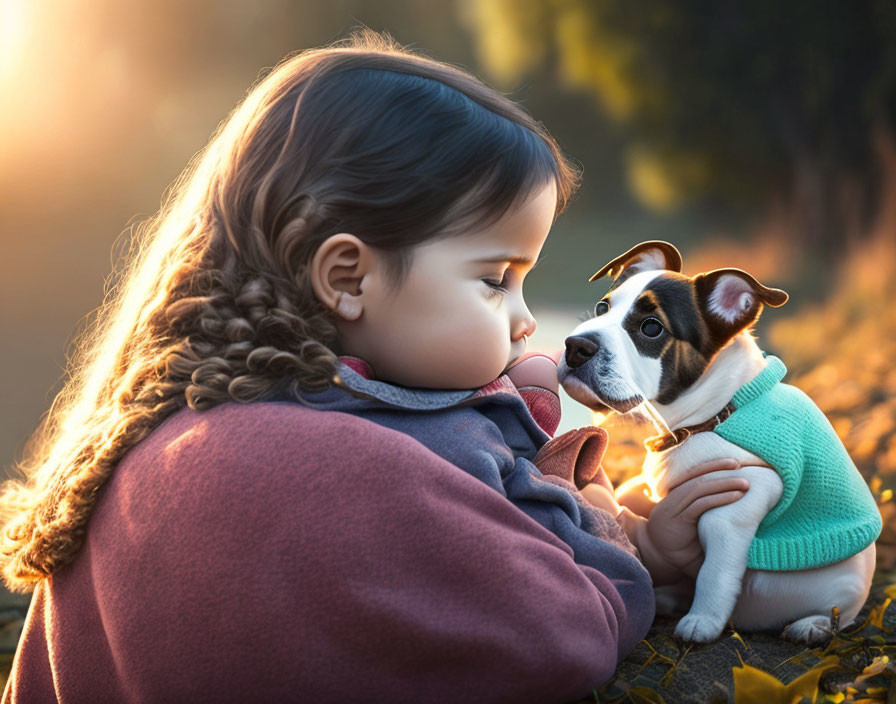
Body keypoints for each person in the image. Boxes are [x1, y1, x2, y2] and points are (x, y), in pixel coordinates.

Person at [0, 30, 750, 703]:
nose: (525, 320)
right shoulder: (344, 470)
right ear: (348, 277)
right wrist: (605, 524)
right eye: (496, 279)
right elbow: (568, 631)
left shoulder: (170, 428)